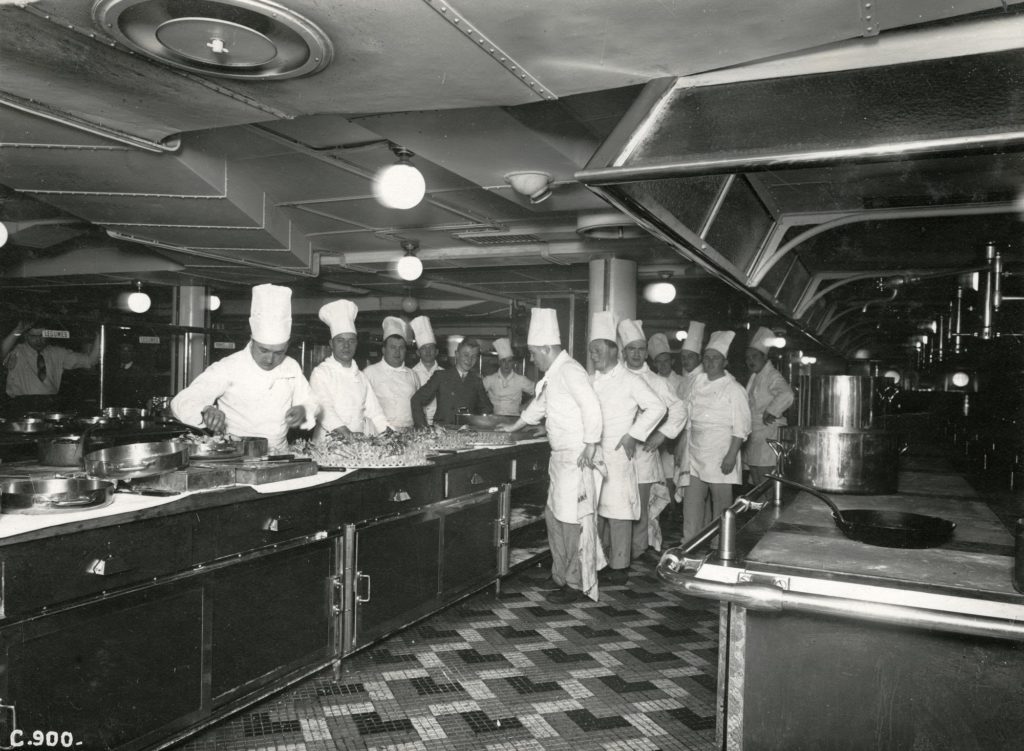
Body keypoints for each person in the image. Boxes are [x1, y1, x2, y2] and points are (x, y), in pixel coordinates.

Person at [499, 308, 602, 604]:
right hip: (560, 458)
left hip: (577, 457)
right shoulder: (551, 375)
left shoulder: (570, 370)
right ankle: (559, 574)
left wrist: (591, 445)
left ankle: (574, 582)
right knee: (553, 517)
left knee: (571, 522)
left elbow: (592, 407)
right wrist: (514, 426)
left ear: (546, 348)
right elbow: (537, 407)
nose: (532, 359)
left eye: (533, 353)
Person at [170, 284, 317, 453]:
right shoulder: (229, 366)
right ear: (252, 340)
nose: (270, 359)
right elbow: (182, 401)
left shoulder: (291, 365)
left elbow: (310, 400)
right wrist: (206, 410)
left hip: (280, 452)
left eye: (279, 352)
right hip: (236, 453)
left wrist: (303, 409)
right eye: (263, 350)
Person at [589, 313, 666, 585]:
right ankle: (597, 562)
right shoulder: (591, 379)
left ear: (612, 351)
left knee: (619, 510)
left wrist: (634, 434)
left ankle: (620, 567)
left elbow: (658, 407)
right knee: (595, 510)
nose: (594, 355)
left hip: (619, 455)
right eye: (591, 351)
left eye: (598, 350)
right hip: (594, 454)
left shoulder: (630, 379)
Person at [619, 320, 686, 559]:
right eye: (631, 349)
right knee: (615, 505)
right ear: (623, 352)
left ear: (646, 353)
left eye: (640, 349)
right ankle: (616, 551)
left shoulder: (658, 382)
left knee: (640, 506)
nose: (636, 354)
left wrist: (661, 434)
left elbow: (679, 410)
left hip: (644, 453)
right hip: (616, 452)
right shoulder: (615, 378)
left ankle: (636, 550)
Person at [680, 330, 751, 543]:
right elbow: (688, 419)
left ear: (725, 362)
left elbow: (741, 428)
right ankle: (689, 542)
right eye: (707, 357)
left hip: (721, 453)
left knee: (721, 505)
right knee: (692, 503)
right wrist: (681, 447)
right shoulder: (696, 383)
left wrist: (731, 456)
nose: (710, 362)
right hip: (695, 452)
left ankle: (719, 544)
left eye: (716, 358)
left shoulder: (734, 389)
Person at [309, 300, 390, 440]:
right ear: (331, 344)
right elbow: (324, 409)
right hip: (328, 443)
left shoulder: (361, 376)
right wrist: (347, 434)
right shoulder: (321, 373)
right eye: (340, 340)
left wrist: (390, 433)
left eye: (351, 341)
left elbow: (375, 412)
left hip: (357, 443)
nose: (346, 346)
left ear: (356, 344)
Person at [2, 320, 100, 415]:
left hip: (50, 405)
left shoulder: (57, 353)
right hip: (22, 405)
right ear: (26, 336)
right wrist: (17, 331)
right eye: (33, 336)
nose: (38, 340)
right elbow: (1, 352)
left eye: (42, 336)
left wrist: (99, 336)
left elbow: (90, 361)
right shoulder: (17, 351)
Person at [744, 326, 795, 485]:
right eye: (747, 358)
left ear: (764, 357)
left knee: (766, 484)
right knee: (756, 485)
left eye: (754, 356)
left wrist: (771, 411)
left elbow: (787, 394)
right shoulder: (755, 377)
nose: (750, 361)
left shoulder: (772, 375)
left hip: (768, 434)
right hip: (755, 434)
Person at [411, 337, 492, 426]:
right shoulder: (441, 376)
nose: (469, 360)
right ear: (456, 354)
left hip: (466, 432)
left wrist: (478, 424)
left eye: (474, 356)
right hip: (443, 432)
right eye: (466, 355)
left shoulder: (476, 381)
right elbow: (416, 400)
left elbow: (487, 408)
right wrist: (422, 426)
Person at [364, 317, 419, 430]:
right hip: (379, 432)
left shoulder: (412, 374)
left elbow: (418, 406)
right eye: (393, 347)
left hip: (408, 432)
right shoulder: (370, 372)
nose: (397, 352)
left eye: (401, 348)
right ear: (384, 350)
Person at [673, 320, 706, 494]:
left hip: (693, 440)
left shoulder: (701, 379)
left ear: (699, 358)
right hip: (683, 437)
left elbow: (691, 417)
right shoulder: (686, 379)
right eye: (683, 357)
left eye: (690, 356)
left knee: (695, 491)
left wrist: (681, 443)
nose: (686, 361)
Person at [482, 337, 535, 416]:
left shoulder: (521, 380)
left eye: (509, 361)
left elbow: (540, 392)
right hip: (495, 418)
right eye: (504, 361)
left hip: (514, 419)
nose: (507, 364)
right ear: (499, 362)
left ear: (513, 362)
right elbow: (475, 394)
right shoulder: (490, 379)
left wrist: (525, 406)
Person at [410, 316, 443, 425]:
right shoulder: (411, 373)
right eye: (424, 348)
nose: (428, 351)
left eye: (431, 348)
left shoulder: (444, 373)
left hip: (440, 424)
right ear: (418, 353)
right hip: (417, 423)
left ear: (437, 351)